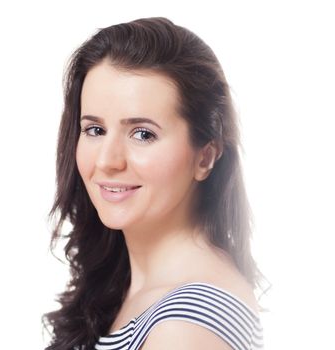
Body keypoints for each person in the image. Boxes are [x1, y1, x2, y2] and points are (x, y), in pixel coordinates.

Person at [43, 17, 266, 350]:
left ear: (204, 157)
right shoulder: (123, 286)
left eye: (143, 134)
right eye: (95, 130)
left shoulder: (188, 327)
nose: (107, 160)